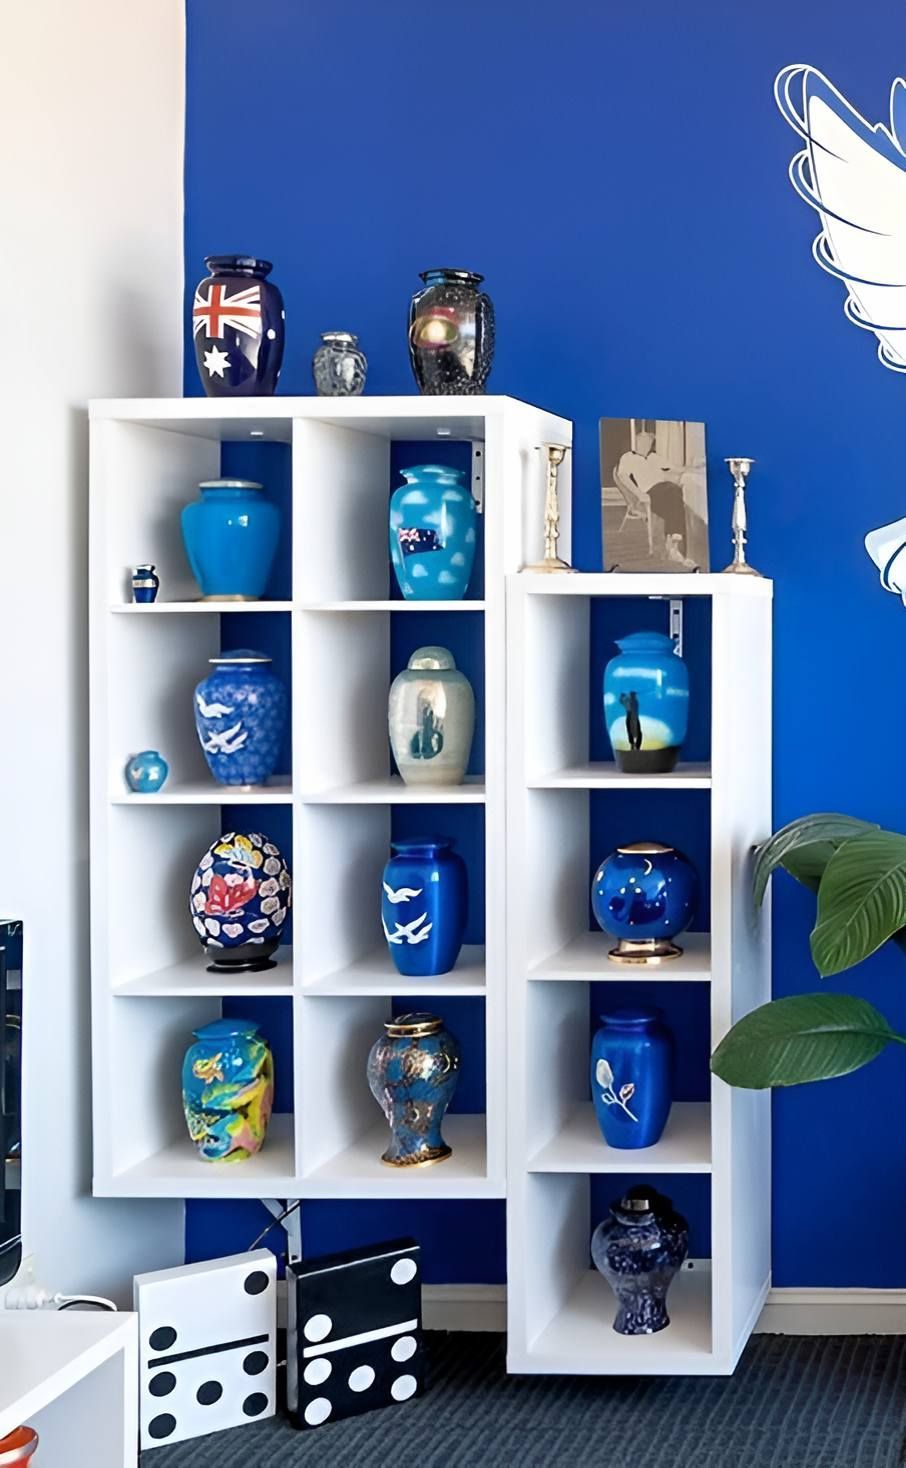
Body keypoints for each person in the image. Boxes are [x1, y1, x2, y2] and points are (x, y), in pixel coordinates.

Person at [616, 431, 694, 566]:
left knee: (675, 498)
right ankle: (674, 543)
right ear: (636, 442)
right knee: (675, 496)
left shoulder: (654, 457)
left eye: (648, 442)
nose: (644, 445)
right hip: (649, 492)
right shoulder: (628, 457)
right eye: (642, 442)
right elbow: (622, 476)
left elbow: (676, 469)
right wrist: (639, 494)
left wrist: (695, 468)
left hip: (666, 490)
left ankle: (673, 545)